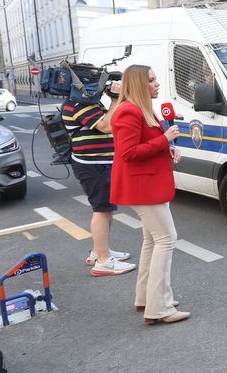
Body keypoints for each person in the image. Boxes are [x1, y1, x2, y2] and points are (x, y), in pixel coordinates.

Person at [110, 65, 188, 325]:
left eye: (155, 79)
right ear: (137, 84)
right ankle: (159, 308)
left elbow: (145, 144)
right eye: (151, 80)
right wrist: (164, 139)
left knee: (152, 241)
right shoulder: (129, 111)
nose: (157, 84)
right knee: (166, 239)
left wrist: (167, 148)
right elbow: (129, 152)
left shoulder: (142, 108)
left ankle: (146, 298)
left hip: (148, 184)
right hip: (142, 187)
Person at [61, 77, 135, 276]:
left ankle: (100, 251)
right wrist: (115, 99)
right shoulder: (80, 104)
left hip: (99, 163)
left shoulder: (87, 103)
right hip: (93, 165)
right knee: (101, 210)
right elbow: (106, 126)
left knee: (106, 209)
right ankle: (103, 262)